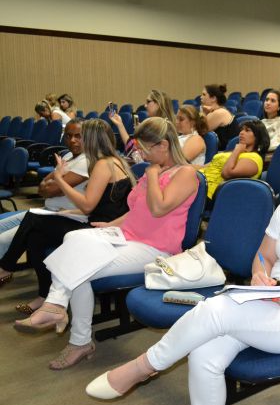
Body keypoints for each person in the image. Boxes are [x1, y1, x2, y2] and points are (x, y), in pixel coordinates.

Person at [85, 151, 280, 405]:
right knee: (203, 354)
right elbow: (265, 255)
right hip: (268, 295)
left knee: (216, 310)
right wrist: (260, 274)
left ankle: (143, 366)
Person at [14, 117, 198, 371]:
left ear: (163, 145)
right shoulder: (154, 170)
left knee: (80, 270)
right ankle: (56, 306)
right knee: (73, 238)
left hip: (156, 248)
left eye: (144, 149)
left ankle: (74, 335)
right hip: (128, 235)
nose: (141, 154)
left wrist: (152, 175)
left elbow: (158, 208)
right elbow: (136, 210)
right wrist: (112, 224)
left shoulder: (185, 173)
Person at [0, 119, 133, 316]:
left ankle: (6, 268)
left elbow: (87, 205)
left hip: (100, 228)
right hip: (97, 221)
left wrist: (59, 178)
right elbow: (100, 207)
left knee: (34, 221)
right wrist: (68, 212)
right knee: (35, 236)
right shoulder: (114, 160)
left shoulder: (103, 164)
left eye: (82, 136)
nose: (76, 141)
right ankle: (42, 295)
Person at [0, 119, 89, 300]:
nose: (72, 140)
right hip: (45, 210)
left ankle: (4, 269)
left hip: (62, 216)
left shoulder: (86, 161)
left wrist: (53, 182)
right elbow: (42, 187)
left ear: (88, 137)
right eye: (69, 136)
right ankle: (6, 268)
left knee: (3, 240)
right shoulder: (67, 156)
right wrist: (50, 183)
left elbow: (53, 189)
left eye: (78, 136)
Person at [201, 120, 270, 199]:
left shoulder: (254, 158)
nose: (241, 133)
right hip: (199, 182)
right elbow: (206, 166)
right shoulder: (231, 153)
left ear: (258, 136)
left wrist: (237, 150)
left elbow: (227, 173)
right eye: (242, 130)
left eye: (247, 130)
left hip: (210, 193)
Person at [110, 89, 176, 155]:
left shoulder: (163, 128)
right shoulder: (158, 126)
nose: (145, 105)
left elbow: (134, 151)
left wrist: (141, 134)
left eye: (148, 102)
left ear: (159, 104)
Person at [199, 84, 238, 151]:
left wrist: (204, 113)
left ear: (213, 98)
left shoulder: (219, 113)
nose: (201, 97)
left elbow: (199, 132)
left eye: (204, 94)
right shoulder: (218, 111)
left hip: (226, 152)